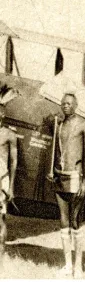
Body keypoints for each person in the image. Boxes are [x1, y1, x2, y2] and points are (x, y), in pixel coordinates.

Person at [49, 92, 85, 278]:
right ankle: (67, 265)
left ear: (76, 105)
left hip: (75, 177)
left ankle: (78, 265)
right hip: (59, 176)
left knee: (75, 221)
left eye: (69, 103)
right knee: (63, 221)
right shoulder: (60, 124)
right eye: (63, 103)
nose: (65, 106)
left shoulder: (83, 124)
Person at [0, 105, 17, 268]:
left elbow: (13, 161)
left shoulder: (9, 135)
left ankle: (1, 254)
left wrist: (11, 186)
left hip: (1, 180)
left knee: (0, 219)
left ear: (3, 114)